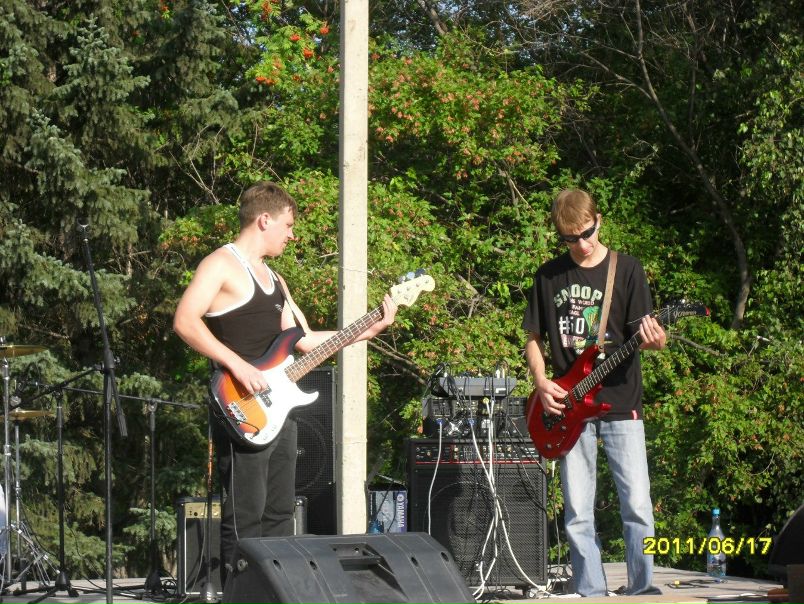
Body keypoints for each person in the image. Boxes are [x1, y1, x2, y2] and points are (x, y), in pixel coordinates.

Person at [173, 181, 397, 586]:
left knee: (279, 512)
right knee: (245, 513)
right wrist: (238, 366)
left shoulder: (277, 280)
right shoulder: (220, 264)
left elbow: (305, 341)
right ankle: (239, 594)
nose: (292, 235)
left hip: (280, 410)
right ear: (264, 220)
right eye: (288, 225)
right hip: (241, 404)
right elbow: (185, 321)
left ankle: (273, 590)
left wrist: (370, 328)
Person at [522, 189, 666, 597]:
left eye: (587, 233)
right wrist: (541, 381)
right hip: (568, 405)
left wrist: (657, 341)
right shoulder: (548, 276)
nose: (582, 245)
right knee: (577, 511)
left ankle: (642, 588)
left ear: (598, 220)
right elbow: (532, 337)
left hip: (621, 402)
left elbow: (645, 334)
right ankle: (590, 591)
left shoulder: (628, 269)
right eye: (571, 239)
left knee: (637, 505)